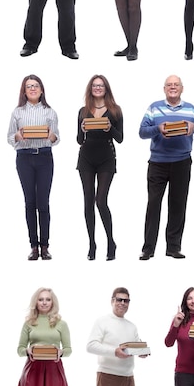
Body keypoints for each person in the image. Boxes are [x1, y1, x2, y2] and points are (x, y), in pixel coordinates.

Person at [138, 75, 194, 260]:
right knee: (153, 205)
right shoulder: (154, 108)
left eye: (176, 84)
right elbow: (142, 132)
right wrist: (158, 128)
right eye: (169, 85)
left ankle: (173, 247)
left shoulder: (191, 109)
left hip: (182, 162)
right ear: (164, 89)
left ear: (182, 88)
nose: (173, 87)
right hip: (158, 163)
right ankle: (148, 249)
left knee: (178, 205)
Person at [7, 75, 60, 261]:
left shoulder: (50, 112)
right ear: (24, 90)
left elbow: (57, 138)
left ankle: (45, 246)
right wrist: (18, 137)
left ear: (41, 89)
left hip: (44, 157)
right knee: (30, 202)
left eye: (35, 86)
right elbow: (9, 137)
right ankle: (33, 246)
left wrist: (52, 136)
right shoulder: (17, 112)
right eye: (29, 86)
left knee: (43, 203)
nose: (32, 89)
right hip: (24, 158)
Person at [77, 75, 123, 261]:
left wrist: (109, 128)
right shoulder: (83, 110)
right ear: (90, 88)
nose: (97, 88)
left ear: (106, 88)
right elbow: (79, 140)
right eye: (95, 86)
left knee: (101, 201)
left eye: (101, 86)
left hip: (106, 158)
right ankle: (91, 244)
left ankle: (111, 242)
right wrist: (82, 129)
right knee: (88, 201)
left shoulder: (115, 110)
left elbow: (120, 138)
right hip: (86, 157)